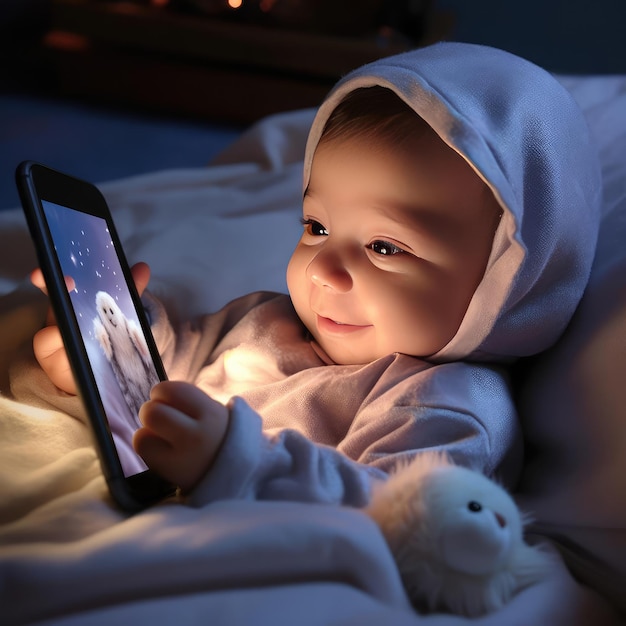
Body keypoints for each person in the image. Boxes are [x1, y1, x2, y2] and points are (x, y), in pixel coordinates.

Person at [30, 42, 601, 508]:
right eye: (317, 226)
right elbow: (182, 360)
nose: (324, 269)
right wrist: (110, 345)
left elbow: (397, 513)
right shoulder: (268, 318)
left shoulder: (446, 406)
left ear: (506, 283)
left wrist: (230, 461)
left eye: (384, 246)